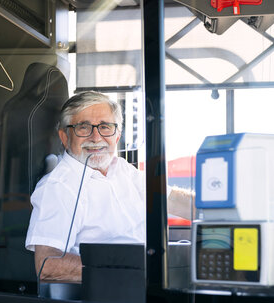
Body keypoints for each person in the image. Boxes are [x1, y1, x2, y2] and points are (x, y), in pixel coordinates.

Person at [25, 91, 192, 282]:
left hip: (148, 281)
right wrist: (130, 270)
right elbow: (48, 265)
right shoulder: (58, 187)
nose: (96, 138)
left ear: (117, 134)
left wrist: (222, 210)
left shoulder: (120, 168)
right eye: (83, 127)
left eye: (105, 127)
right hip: (111, 293)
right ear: (64, 137)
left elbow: (171, 199)